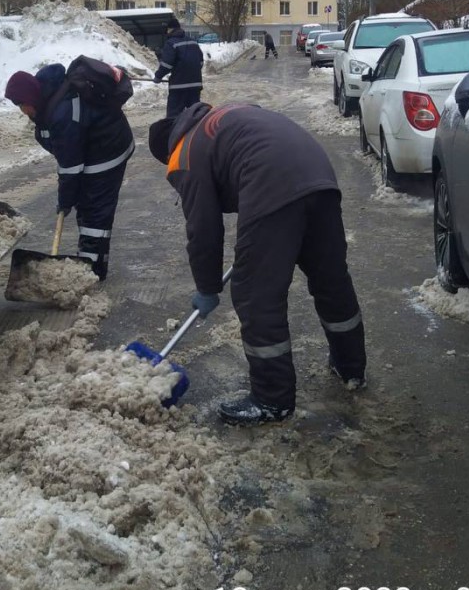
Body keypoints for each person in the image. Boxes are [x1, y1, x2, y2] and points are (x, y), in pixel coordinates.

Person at [148, 102, 366, 425]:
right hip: (318, 173)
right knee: (330, 279)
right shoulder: (222, 119)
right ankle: (351, 368)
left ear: (169, 150)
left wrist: (207, 287)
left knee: (255, 294)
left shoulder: (184, 153)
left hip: (271, 179)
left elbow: (203, 228)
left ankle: (272, 399)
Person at [4, 64, 134, 281]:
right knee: (85, 205)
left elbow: (70, 168)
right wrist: (71, 197)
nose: (23, 111)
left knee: (95, 213)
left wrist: (65, 201)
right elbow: (69, 163)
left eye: (22, 104)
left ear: (31, 98)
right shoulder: (47, 100)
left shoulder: (61, 113)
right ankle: (88, 259)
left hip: (107, 151)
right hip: (91, 150)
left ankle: (92, 271)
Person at [154, 17, 204, 119]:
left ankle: (173, 134)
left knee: (173, 117)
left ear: (170, 29)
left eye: (167, 30)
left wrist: (158, 76)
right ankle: (195, 134)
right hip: (195, 86)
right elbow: (200, 62)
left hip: (178, 87)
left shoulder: (171, 43)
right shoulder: (193, 42)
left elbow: (167, 65)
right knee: (195, 116)